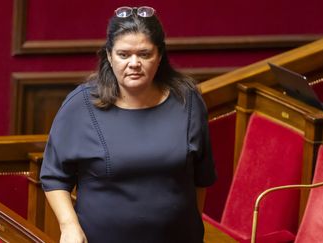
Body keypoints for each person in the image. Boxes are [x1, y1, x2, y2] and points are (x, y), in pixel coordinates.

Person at [40, 6, 217, 243]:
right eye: (124, 54)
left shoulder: (188, 100)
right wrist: (69, 226)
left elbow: (200, 177)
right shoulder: (81, 105)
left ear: (160, 55)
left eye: (144, 54)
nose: (134, 63)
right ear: (109, 56)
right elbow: (54, 177)